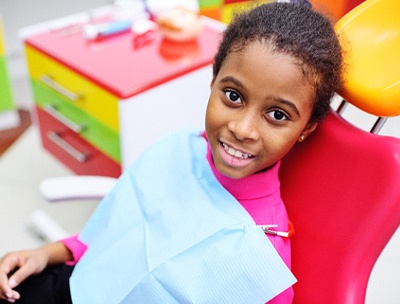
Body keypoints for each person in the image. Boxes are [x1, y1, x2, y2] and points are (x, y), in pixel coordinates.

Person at [0, 2, 344, 303]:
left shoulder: (261, 259)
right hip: (75, 283)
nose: (243, 129)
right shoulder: (179, 149)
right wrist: (47, 254)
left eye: (278, 115)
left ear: (306, 130)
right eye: (234, 96)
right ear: (213, 83)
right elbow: (110, 233)